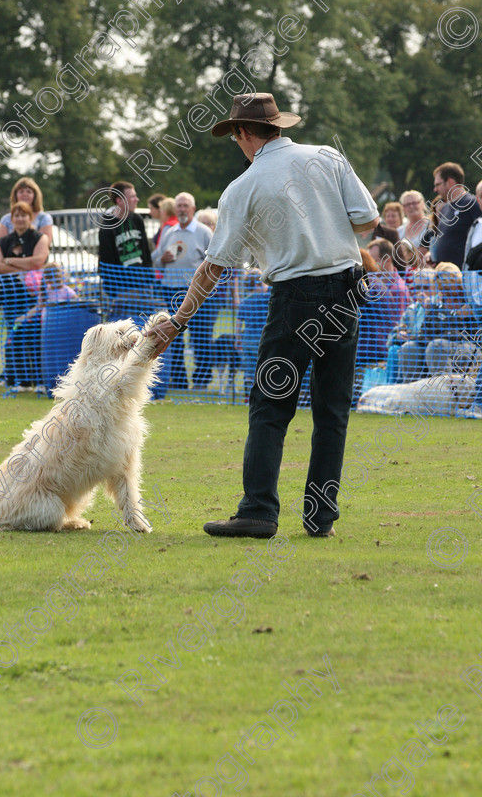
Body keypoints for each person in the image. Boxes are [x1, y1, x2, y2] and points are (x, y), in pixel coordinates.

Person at [147, 92, 380, 539]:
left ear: (242, 133)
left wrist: (178, 321)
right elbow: (367, 221)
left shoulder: (243, 188)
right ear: (279, 126)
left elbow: (213, 266)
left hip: (296, 296)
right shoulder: (327, 157)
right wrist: (319, 224)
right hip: (348, 290)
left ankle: (258, 510)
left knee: (271, 406)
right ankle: (320, 518)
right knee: (332, 410)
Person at [152, 192, 214, 389]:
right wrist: (162, 259)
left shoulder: (204, 232)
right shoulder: (169, 232)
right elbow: (155, 260)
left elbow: (215, 262)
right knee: (173, 338)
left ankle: (201, 381)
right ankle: (178, 381)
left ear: (193, 209)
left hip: (198, 294)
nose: (182, 209)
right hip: (171, 291)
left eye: (185, 205)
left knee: (200, 337)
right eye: (178, 206)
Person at [0, 201, 49, 389]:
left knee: (35, 338)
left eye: (23, 215)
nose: (20, 219)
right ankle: (22, 381)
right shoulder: (3, 241)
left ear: (30, 217)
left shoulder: (39, 238)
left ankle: (40, 381)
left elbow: (38, 262)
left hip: (33, 298)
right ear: (11, 218)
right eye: (16, 215)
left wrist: (10, 261)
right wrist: (24, 262)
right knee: (15, 338)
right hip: (10, 297)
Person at [98, 181, 153, 323]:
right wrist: (114, 292)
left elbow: (145, 252)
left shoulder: (137, 219)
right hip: (122, 291)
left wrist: (149, 279)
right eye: (132, 197)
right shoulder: (107, 226)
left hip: (143, 287)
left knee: (145, 328)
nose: (137, 200)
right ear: (120, 200)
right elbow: (105, 262)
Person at [17, 263, 77, 392]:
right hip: (47, 332)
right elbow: (38, 308)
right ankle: (43, 384)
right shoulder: (45, 293)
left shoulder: (68, 292)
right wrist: (23, 317)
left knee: (63, 358)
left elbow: (76, 308)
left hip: (62, 332)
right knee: (46, 358)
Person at [431, 162, 482, 266]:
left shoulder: (472, 203)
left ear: (449, 182)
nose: (435, 189)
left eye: (438, 184)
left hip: (465, 277)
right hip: (445, 277)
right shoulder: (444, 208)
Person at [236, 269, 270, 401]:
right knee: (263, 366)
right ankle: (263, 395)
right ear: (258, 284)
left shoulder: (244, 302)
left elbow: (239, 323)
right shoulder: (266, 299)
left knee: (249, 369)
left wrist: (238, 339)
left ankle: (248, 396)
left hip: (247, 339)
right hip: (261, 338)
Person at [0, 177, 53, 246]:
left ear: (35, 195)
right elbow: (0, 246)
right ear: (15, 195)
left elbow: (45, 246)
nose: (25, 194)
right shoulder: (6, 219)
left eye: (29, 192)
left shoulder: (44, 218)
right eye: (21, 191)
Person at [398, 190, 433, 258]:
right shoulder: (399, 231)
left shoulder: (432, 225)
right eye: (407, 204)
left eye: (414, 203)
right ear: (403, 208)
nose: (411, 206)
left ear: (422, 203)